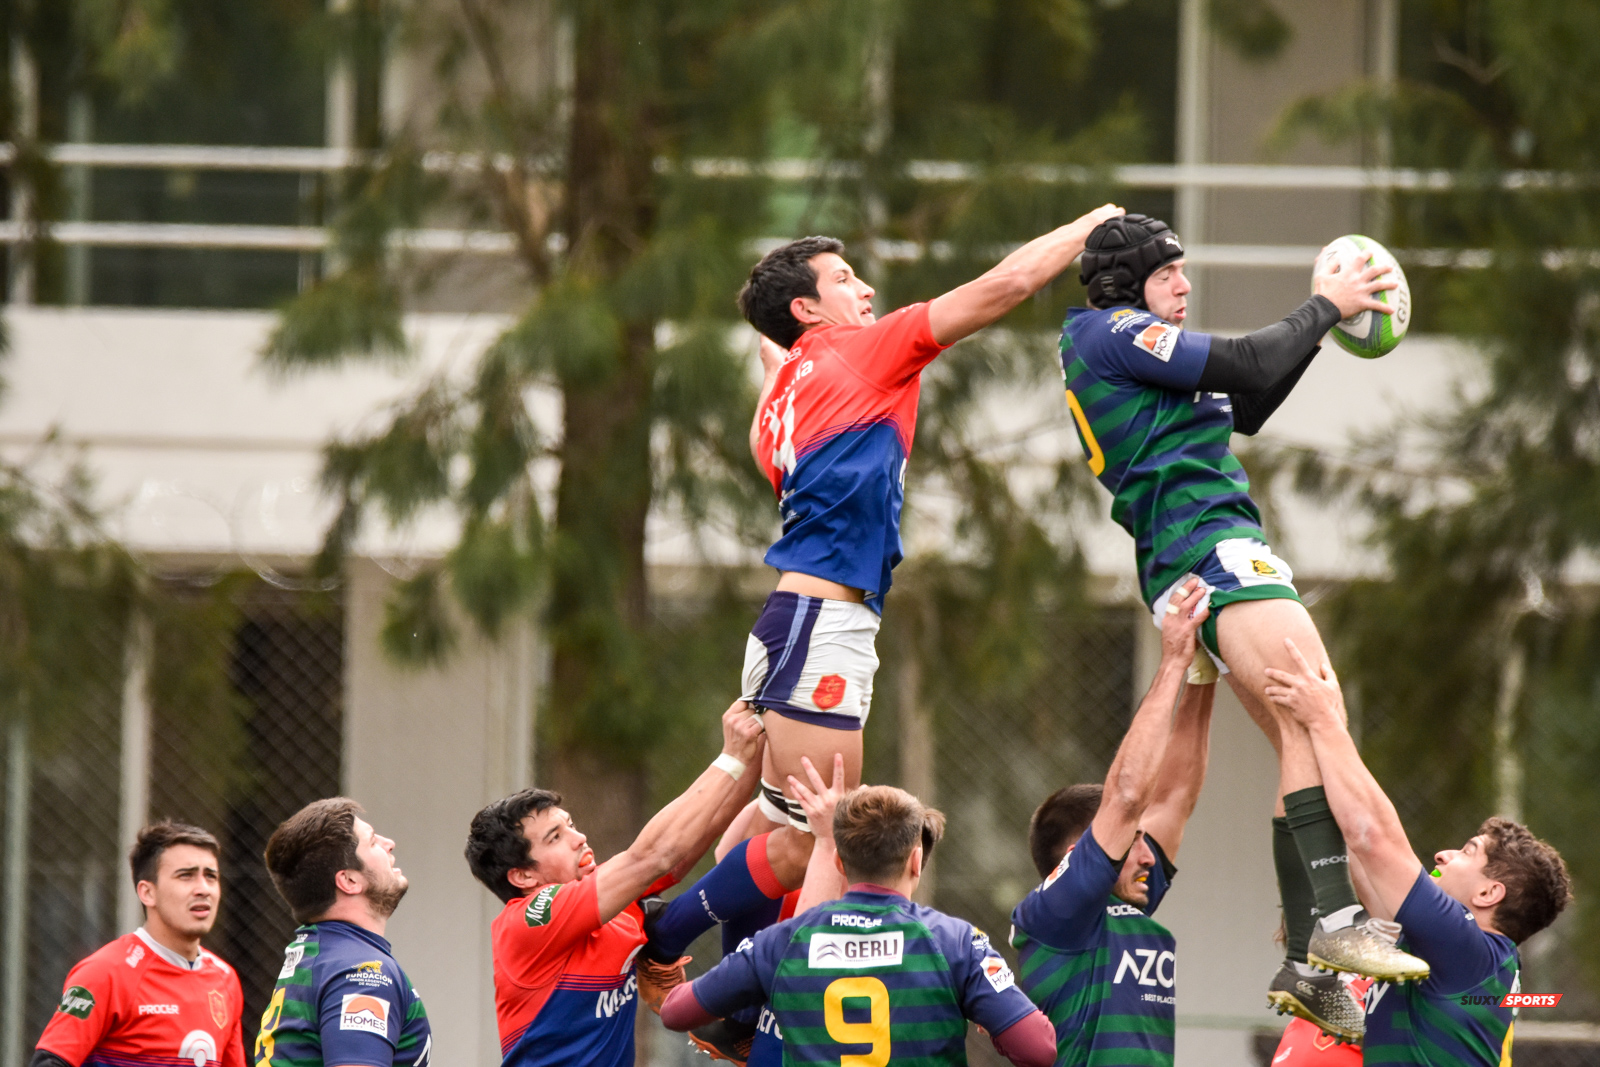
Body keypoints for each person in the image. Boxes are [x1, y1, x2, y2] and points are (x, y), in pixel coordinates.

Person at [1059, 213, 1428, 1015]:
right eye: (1169, 274)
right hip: (1211, 548)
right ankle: (1328, 928)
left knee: (1303, 726)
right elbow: (1249, 358)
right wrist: (1327, 302)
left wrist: (1322, 329)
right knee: (1318, 709)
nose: (1185, 286)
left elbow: (1251, 395)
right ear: (1127, 285)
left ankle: (1312, 960)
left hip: (1195, 556)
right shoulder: (1111, 330)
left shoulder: (1122, 347)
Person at [732, 202, 1124, 847]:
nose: (867, 290)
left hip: (805, 621)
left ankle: (692, 938)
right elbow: (1006, 286)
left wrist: (769, 322)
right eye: (845, 279)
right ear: (805, 310)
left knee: (779, 834)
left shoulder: (775, 404)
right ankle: (682, 935)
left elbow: (776, 362)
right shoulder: (862, 351)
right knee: (827, 843)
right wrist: (1088, 227)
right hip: (818, 626)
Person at [1263, 638, 1573, 1065]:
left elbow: (1371, 838)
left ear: (1488, 894)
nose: (1444, 855)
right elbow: (1341, 847)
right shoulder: (1435, 953)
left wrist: (1324, 723)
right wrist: (1307, 727)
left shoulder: (1470, 952)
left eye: (1468, 851)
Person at [658, 784, 1059, 1067]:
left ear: (838, 861)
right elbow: (1039, 1049)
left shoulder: (780, 944)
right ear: (916, 861)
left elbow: (676, 1012)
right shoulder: (956, 944)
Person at [463, 700, 766, 1067]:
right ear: (523, 876)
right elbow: (653, 855)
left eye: (571, 824)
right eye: (556, 837)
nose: (579, 838)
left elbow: (695, 833)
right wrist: (731, 758)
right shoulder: (528, 921)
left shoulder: (605, 905)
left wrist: (758, 746)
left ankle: (738, 1020)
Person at [1009, 580, 1213, 1066]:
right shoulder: (1055, 915)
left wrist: (1204, 673)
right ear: (1081, 853)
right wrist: (1173, 663)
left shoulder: (1125, 904)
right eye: (1133, 842)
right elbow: (1127, 797)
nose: (1148, 854)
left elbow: (1177, 796)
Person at [32, 822, 244, 1067]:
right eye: (186, 875)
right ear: (147, 893)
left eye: (211, 876)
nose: (203, 889)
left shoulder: (226, 979)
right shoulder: (105, 972)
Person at [254, 799, 431, 1067]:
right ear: (349, 880)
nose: (389, 843)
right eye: (372, 841)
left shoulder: (320, 956)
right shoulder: (362, 973)